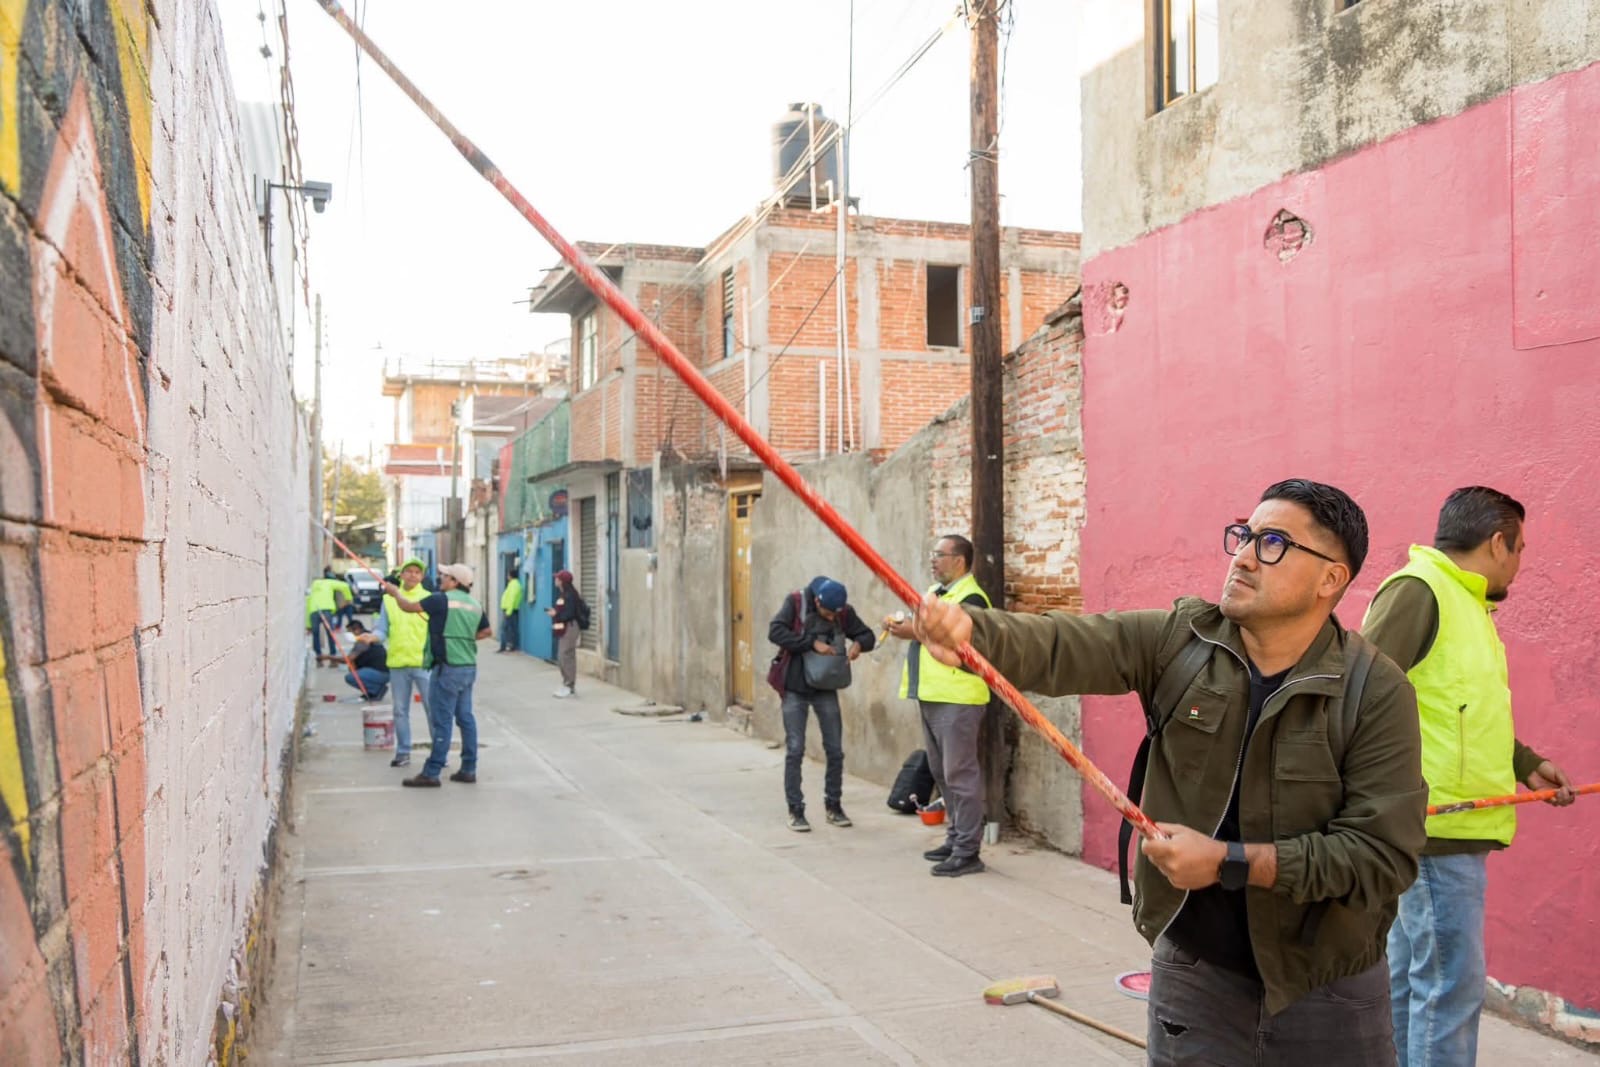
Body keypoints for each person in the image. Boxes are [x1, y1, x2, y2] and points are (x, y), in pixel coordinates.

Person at [914, 479, 1426, 1061]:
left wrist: (1228, 863)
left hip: (1330, 989)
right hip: (1194, 976)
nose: (1244, 555)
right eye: (1245, 535)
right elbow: (1068, 644)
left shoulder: (1375, 690)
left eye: (1274, 543)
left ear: (1331, 579)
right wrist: (974, 634)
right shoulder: (1182, 641)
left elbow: (1382, 856)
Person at [1362, 486, 1575, 1066]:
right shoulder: (1420, 592)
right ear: (1497, 541)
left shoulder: (1464, 604)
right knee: (1449, 987)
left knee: (1416, 979)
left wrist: (1525, 763)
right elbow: (1355, 696)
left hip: (1444, 825)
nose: (1521, 562)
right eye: (1520, 548)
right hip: (1434, 829)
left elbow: (1458, 711)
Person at [884, 535, 993, 877]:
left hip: (958, 697)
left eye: (940, 555)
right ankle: (955, 837)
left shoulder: (972, 597)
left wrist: (910, 629)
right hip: (932, 694)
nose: (934, 560)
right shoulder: (937, 591)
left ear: (959, 560)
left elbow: (955, 636)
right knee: (943, 774)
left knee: (961, 775)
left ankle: (968, 851)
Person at [769, 576, 877, 832]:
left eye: (835, 615)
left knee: (835, 750)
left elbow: (867, 634)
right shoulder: (795, 602)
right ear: (817, 601)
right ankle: (796, 811)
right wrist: (810, 643)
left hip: (825, 687)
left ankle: (834, 806)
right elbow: (775, 631)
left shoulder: (842, 612)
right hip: (795, 686)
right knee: (795, 749)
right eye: (827, 613)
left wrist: (859, 644)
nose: (831, 618)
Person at [380, 562, 491, 787]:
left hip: (447, 667)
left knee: (442, 720)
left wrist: (394, 592)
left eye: (446, 576)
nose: (441, 578)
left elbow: (408, 607)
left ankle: (432, 772)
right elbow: (487, 631)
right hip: (468, 666)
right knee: (465, 718)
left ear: (455, 582)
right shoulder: (474, 604)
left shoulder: (441, 599)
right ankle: (468, 768)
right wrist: (463, 640)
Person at [364, 558, 433, 768]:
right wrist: (373, 637)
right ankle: (403, 752)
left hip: (423, 663)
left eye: (417, 572)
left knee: (433, 709)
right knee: (400, 710)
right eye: (408, 571)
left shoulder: (430, 599)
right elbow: (382, 629)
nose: (412, 575)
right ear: (401, 575)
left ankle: (439, 752)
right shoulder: (389, 601)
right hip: (398, 663)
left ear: (422, 577)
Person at [305, 570, 351, 667]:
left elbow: (308, 603)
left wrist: (308, 625)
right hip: (326, 610)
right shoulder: (329, 582)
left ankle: (319, 659)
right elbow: (345, 586)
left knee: (316, 635)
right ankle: (333, 658)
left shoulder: (313, 587)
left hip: (314, 610)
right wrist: (348, 598)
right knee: (330, 634)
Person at [547, 570, 582, 697]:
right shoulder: (564, 594)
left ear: (562, 581)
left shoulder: (570, 595)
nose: (555, 580)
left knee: (564, 656)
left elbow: (569, 613)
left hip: (570, 627)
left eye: (557, 578)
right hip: (565, 627)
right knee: (566, 656)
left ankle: (569, 685)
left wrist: (556, 614)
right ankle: (568, 683)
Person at [342, 620, 390, 701]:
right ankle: (374, 689)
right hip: (381, 671)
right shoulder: (369, 636)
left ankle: (375, 690)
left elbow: (349, 659)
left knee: (351, 677)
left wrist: (328, 657)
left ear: (357, 630)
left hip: (381, 673)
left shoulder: (364, 640)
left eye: (349, 632)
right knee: (353, 671)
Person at [497, 567, 524, 653]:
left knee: (504, 628)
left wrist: (508, 611)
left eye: (508, 575)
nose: (507, 576)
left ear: (511, 576)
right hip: (511, 610)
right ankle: (511, 646)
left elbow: (512, 599)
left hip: (510, 610)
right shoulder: (513, 584)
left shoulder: (514, 585)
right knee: (511, 628)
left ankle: (503, 646)